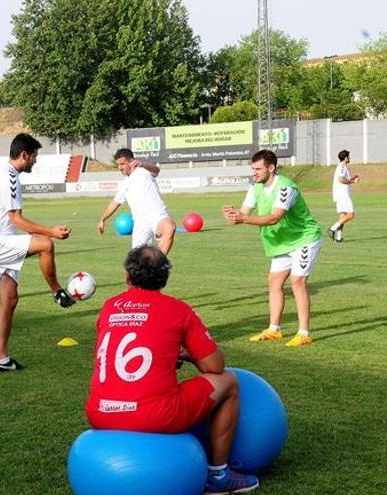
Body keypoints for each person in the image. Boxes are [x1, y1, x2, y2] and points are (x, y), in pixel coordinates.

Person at [86, 246, 259, 495]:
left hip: (100, 413)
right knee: (229, 381)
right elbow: (215, 366)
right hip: (153, 415)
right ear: (165, 278)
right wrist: (188, 356)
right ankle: (218, 475)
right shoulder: (177, 309)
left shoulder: (109, 306)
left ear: (127, 276)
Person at [0, 133, 75, 372]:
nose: (35, 161)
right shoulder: (10, 177)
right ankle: (57, 291)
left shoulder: (5, 175)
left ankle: (2, 359)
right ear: (24, 155)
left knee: (9, 300)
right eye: (34, 156)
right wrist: (50, 231)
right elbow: (16, 219)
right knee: (46, 244)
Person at [222, 149, 323, 347]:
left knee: (298, 281)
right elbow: (243, 213)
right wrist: (233, 216)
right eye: (253, 169)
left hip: (304, 239)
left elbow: (275, 217)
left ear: (271, 168)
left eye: (258, 169)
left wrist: (243, 219)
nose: (255, 173)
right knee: (274, 282)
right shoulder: (255, 188)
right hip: (281, 243)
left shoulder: (286, 187)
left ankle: (304, 333)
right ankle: (274, 329)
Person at [97, 148, 176, 254]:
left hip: (157, 215)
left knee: (169, 228)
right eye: (118, 165)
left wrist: (143, 164)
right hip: (140, 223)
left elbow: (156, 170)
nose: (120, 168)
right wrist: (103, 219)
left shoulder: (144, 171)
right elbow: (115, 202)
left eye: (122, 164)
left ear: (131, 161)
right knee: (136, 261)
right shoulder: (125, 184)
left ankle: (157, 264)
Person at [328, 150, 359, 242]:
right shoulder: (342, 166)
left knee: (343, 216)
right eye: (348, 156)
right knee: (351, 214)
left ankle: (338, 237)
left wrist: (352, 178)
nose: (350, 158)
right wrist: (353, 181)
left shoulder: (343, 167)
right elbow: (341, 179)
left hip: (341, 194)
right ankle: (332, 229)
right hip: (342, 194)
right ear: (345, 158)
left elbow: (344, 179)